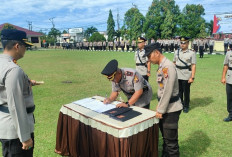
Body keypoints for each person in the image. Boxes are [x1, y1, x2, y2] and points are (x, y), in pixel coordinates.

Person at [0, 29, 41, 156]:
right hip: (16, 132)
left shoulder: (3, 63)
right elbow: (15, 105)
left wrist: (27, 83)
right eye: (25, 47)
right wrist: (25, 137)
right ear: (17, 46)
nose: (26, 50)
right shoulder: (13, 69)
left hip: (6, 125)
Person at [144, 43, 182, 157]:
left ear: (157, 52)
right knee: (165, 139)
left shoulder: (168, 66)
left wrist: (161, 109)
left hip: (171, 109)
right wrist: (160, 106)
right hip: (166, 107)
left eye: (149, 56)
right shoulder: (162, 66)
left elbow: (168, 90)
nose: (149, 60)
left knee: (171, 143)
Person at [173, 36, 196, 113]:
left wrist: (192, 77)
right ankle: (180, 105)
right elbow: (174, 63)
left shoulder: (192, 53)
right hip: (177, 74)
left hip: (186, 75)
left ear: (188, 43)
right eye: (181, 43)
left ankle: (186, 106)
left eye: (184, 43)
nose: (182, 44)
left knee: (186, 92)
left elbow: (193, 65)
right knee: (178, 91)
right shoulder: (176, 52)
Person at [221, 50, 232, 122]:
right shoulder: (229, 53)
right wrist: (223, 77)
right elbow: (226, 65)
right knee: (230, 97)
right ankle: (231, 114)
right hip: (230, 77)